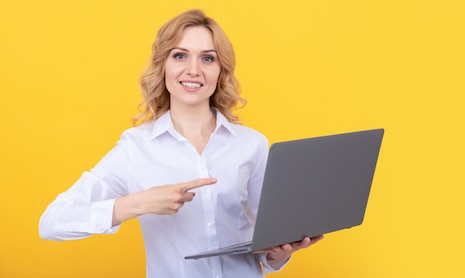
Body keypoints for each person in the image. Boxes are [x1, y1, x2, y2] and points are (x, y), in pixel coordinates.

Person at [39, 9, 322, 277]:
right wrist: (139, 203)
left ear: (220, 70)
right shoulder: (135, 148)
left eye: (207, 58)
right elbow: (52, 222)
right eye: (180, 56)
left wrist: (279, 254)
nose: (193, 70)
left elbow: (265, 244)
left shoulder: (253, 145)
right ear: (163, 65)